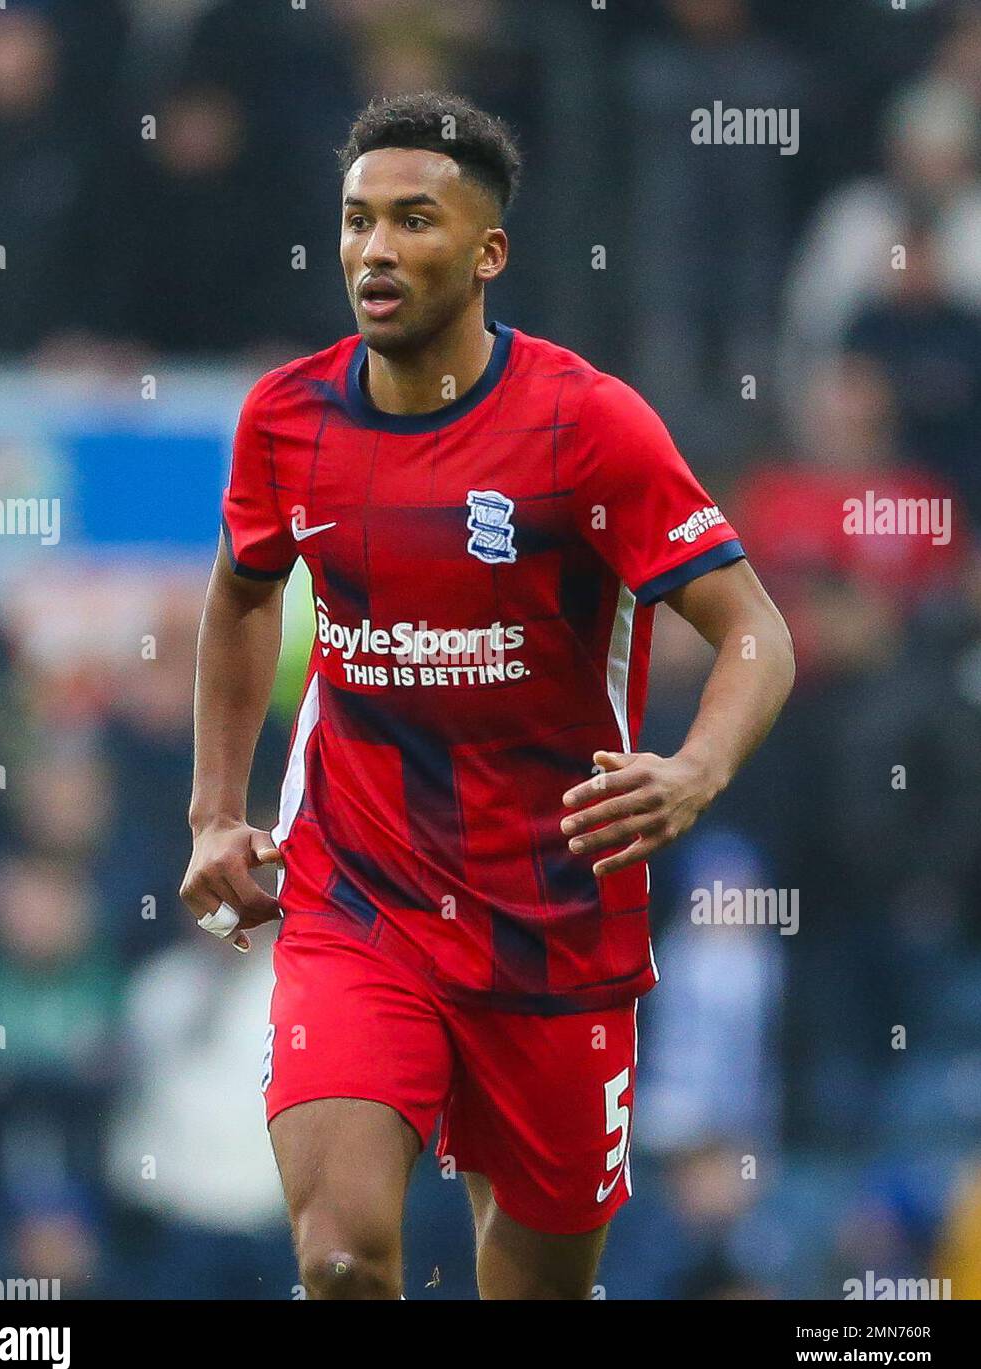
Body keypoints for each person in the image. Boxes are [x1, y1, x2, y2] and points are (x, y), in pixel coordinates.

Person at [179, 92, 795, 1300]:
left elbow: (756, 632)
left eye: (414, 221)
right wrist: (214, 808)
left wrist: (694, 770)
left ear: (487, 251)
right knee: (344, 1259)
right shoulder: (286, 418)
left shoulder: (588, 426)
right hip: (360, 891)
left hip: (554, 912)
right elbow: (244, 594)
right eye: (357, 221)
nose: (375, 251)